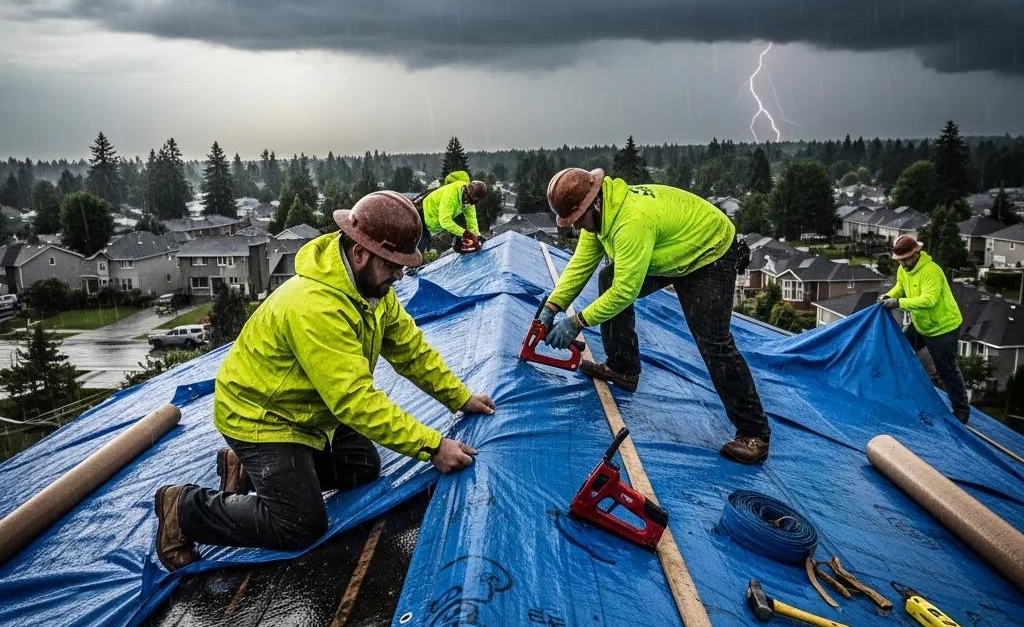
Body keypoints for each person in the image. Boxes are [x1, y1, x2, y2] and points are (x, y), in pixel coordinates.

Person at [154, 190, 496, 571]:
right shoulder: (317, 306)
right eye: (392, 264)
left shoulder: (372, 291)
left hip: (309, 412)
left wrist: (459, 398)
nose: (400, 274)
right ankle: (183, 508)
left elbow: (410, 351)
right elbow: (354, 401)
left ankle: (247, 470)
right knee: (299, 524)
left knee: (362, 467)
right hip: (262, 417)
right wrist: (432, 446)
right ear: (361, 253)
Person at [540, 168, 771, 464]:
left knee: (714, 342)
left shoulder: (630, 222)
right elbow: (580, 265)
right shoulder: (599, 217)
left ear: (594, 203)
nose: (578, 227)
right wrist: (553, 306)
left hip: (709, 252)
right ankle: (622, 368)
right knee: (608, 277)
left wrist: (576, 322)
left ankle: (754, 433)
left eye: (578, 219)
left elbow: (625, 292)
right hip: (674, 249)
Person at [880, 234, 969, 423]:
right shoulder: (904, 270)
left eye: (905, 259)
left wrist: (898, 302)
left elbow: (929, 300)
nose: (903, 264)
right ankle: (900, 393)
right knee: (900, 349)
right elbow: (900, 287)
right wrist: (888, 295)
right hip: (921, 324)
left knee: (946, 369)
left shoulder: (931, 271)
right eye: (899, 260)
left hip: (943, 327)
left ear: (916, 253)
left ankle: (962, 411)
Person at [417, 170, 488, 255]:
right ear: (467, 191)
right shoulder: (451, 194)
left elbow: (471, 219)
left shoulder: (469, 200)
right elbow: (445, 221)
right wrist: (465, 233)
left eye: (474, 201)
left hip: (432, 223)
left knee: (422, 245)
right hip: (422, 215)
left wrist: (477, 235)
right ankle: (409, 266)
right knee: (418, 248)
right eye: (470, 199)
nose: (469, 203)